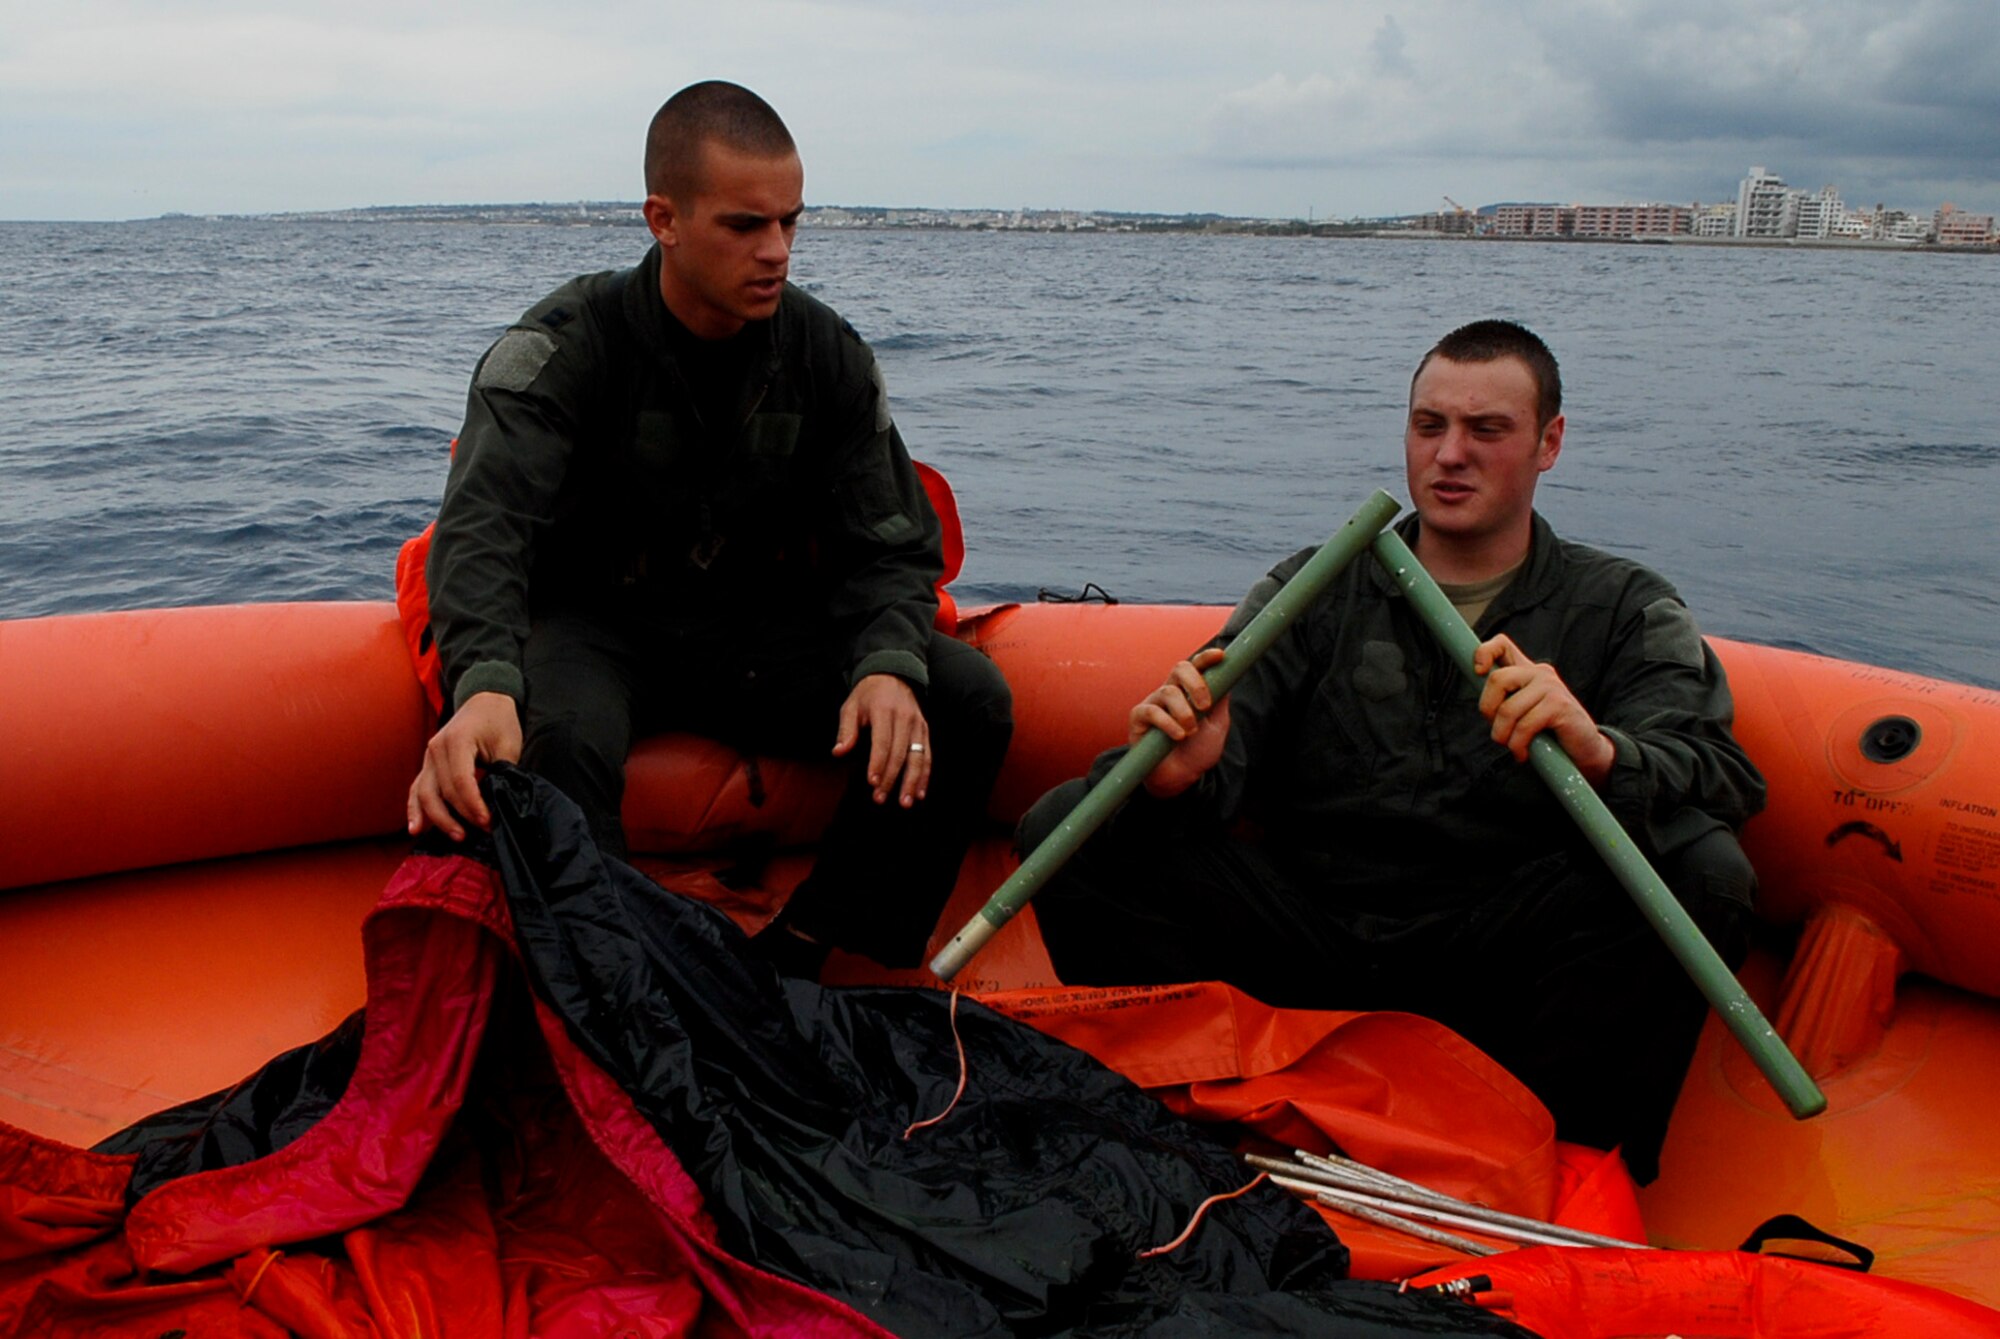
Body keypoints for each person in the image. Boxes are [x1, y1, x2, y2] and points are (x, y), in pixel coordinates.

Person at [1018, 320, 1765, 1181]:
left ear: (1549, 442)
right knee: (1074, 823)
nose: (1450, 455)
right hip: (1313, 949)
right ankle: (1197, 1111)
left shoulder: (1624, 605)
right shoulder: (1315, 583)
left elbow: (1721, 773)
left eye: (1487, 430)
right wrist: (1181, 776)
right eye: (1428, 426)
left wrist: (1601, 751)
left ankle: (1566, 1163)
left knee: (1703, 867)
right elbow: (1212, 765)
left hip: (1503, 975)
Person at [407, 81, 1013, 977]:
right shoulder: (563, 349)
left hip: (751, 628)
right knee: (552, 742)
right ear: (665, 218)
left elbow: (887, 539)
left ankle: (813, 951)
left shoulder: (825, 355)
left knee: (962, 698)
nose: (775, 252)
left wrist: (887, 660)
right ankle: (616, 980)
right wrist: (486, 682)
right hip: (598, 622)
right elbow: (483, 529)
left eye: (790, 223)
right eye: (743, 226)